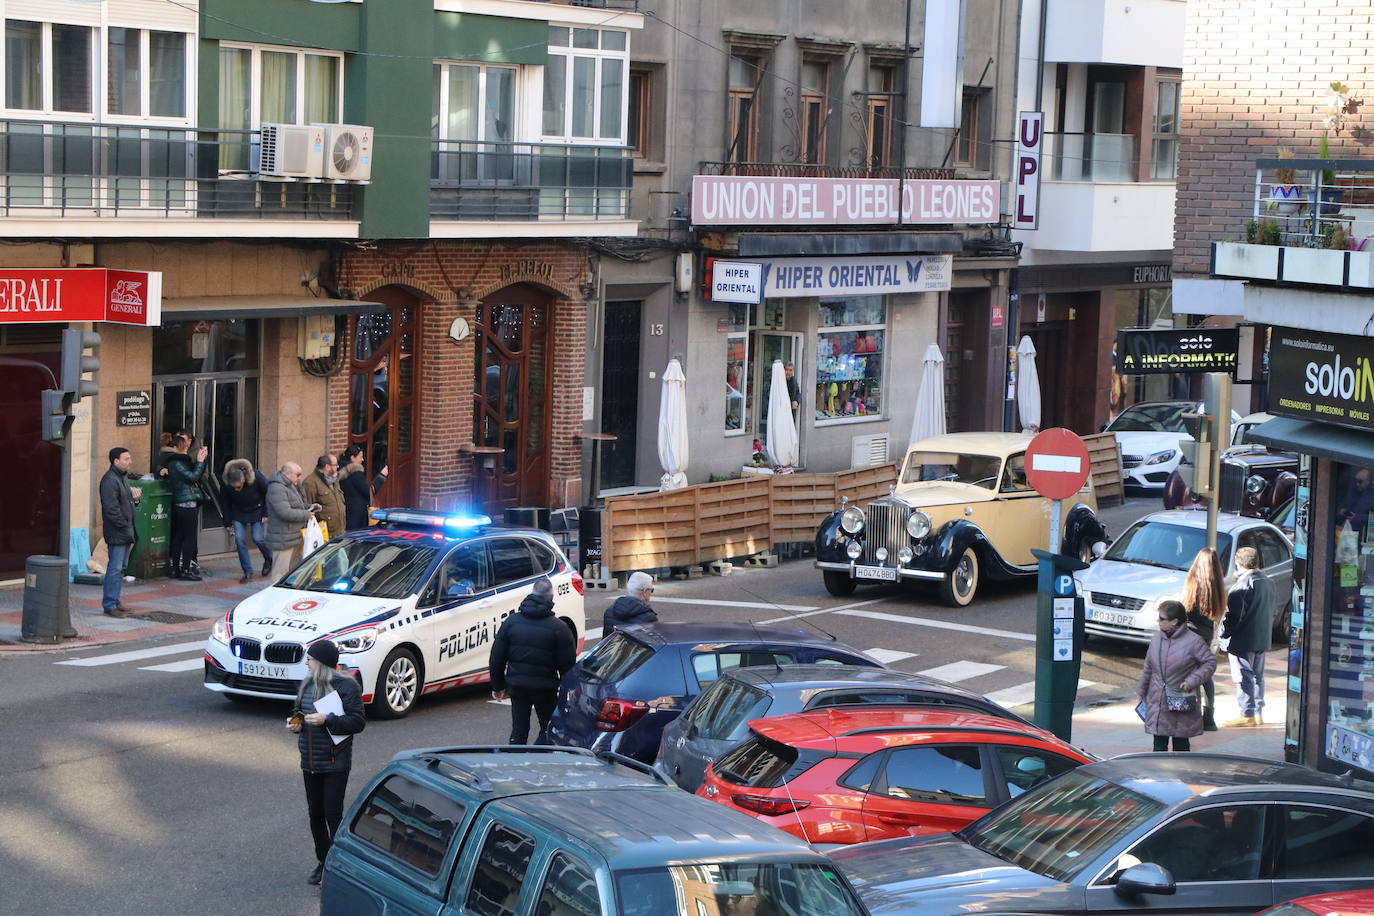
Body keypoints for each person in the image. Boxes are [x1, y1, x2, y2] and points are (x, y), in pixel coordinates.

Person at [286, 639, 366, 886]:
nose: (306, 663)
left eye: (309, 659)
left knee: (333, 815)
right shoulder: (307, 685)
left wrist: (327, 720)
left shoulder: (346, 687)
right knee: (315, 815)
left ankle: (337, 862)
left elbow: (357, 722)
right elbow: (299, 711)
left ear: (320, 663)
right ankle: (323, 861)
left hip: (334, 763)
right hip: (309, 761)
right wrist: (295, 723)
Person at [489, 578, 575, 745]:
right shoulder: (559, 628)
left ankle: (515, 761)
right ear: (551, 598)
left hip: (517, 685)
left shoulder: (512, 622)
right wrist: (568, 694)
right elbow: (568, 667)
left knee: (519, 729)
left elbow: (497, 657)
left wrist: (498, 686)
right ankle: (539, 756)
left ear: (531, 594)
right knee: (548, 728)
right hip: (545, 688)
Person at [1137, 599, 1216, 752]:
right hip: (1158, 699)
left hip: (1181, 698)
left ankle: (1180, 776)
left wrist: (1192, 680)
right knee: (1159, 746)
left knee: (1180, 746)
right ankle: (1160, 775)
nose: (1158, 621)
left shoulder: (1193, 641)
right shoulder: (1157, 638)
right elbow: (1148, 666)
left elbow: (1210, 663)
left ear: (1174, 621)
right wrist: (1141, 691)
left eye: (1162, 618)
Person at [1221, 546, 1277, 727]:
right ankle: (1258, 712)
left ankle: (1247, 713)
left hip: (1243, 639)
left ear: (1238, 563)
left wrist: (1224, 633)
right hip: (1262, 637)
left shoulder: (1242, 585)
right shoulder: (1269, 582)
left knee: (1243, 676)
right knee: (1258, 676)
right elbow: (1273, 610)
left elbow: (1234, 616)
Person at [1181, 547, 1226, 731]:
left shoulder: (1193, 582)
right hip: (1206, 634)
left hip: (1190, 633)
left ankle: (1193, 715)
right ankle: (1209, 717)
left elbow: (1185, 610)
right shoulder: (1218, 585)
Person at [99, 447, 140, 617]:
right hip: (118, 531)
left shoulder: (122, 478)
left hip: (125, 530)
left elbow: (126, 503)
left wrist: (135, 500)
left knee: (121, 567)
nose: (130, 462)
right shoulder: (110, 480)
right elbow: (111, 509)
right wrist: (124, 524)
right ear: (116, 461)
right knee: (115, 568)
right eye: (126, 459)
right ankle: (110, 604)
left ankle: (115, 601)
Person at [266, 462, 321, 581]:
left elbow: (297, 506)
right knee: (280, 574)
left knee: (292, 573)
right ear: (287, 474)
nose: (300, 477)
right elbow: (285, 512)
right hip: (283, 538)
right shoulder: (276, 488)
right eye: (298, 474)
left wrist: (310, 507)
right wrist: (306, 514)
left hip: (293, 536)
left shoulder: (290, 485)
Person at [164, 433, 208, 581]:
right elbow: (192, 477)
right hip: (186, 502)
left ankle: (176, 568)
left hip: (181, 502)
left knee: (179, 536)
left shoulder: (176, 461)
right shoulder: (177, 462)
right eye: (185, 446)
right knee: (188, 537)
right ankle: (185, 570)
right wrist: (200, 461)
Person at [223, 458, 273, 583]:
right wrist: (227, 522)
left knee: (258, 538)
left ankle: (268, 558)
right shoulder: (226, 482)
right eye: (234, 487)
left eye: (239, 486)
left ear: (244, 479)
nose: (236, 489)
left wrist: (266, 512)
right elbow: (225, 502)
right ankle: (247, 571)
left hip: (256, 509)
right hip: (238, 512)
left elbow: (268, 492)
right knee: (240, 541)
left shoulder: (256, 477)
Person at [302, 454, 346, 539]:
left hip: (340, 532)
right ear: (327, 467)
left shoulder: (334, 479)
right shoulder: (310, 483)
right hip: (323, 535)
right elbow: (307, 508)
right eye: (335, 465)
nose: (338, 467)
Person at [338, 445, 372, 531]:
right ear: (353, 458)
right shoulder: (356, 473)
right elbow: (368, 491)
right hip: (356, 514)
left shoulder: (339, 469)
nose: (362, 460)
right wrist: (381, 477)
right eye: (360, 457)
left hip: (345, 510)